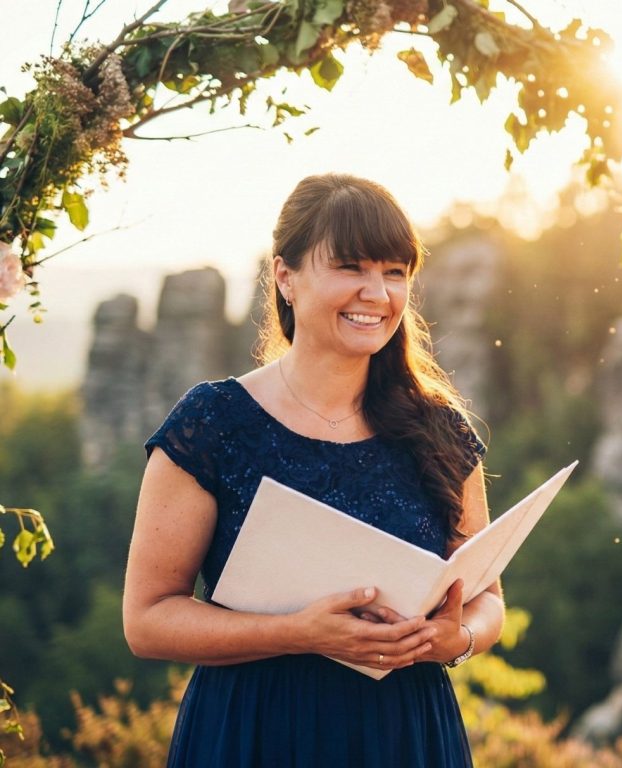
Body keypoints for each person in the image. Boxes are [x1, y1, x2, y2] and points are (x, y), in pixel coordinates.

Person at [123, 173, 505, 767]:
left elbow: (488, 601)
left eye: (395, 272)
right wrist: (298, 633)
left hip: (403, 733)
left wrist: (458, 640)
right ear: (285, 277)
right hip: (253, 731)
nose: (377, 294)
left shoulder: (439, 430)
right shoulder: (214, 422)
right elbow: (147, 621)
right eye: (351, 266)